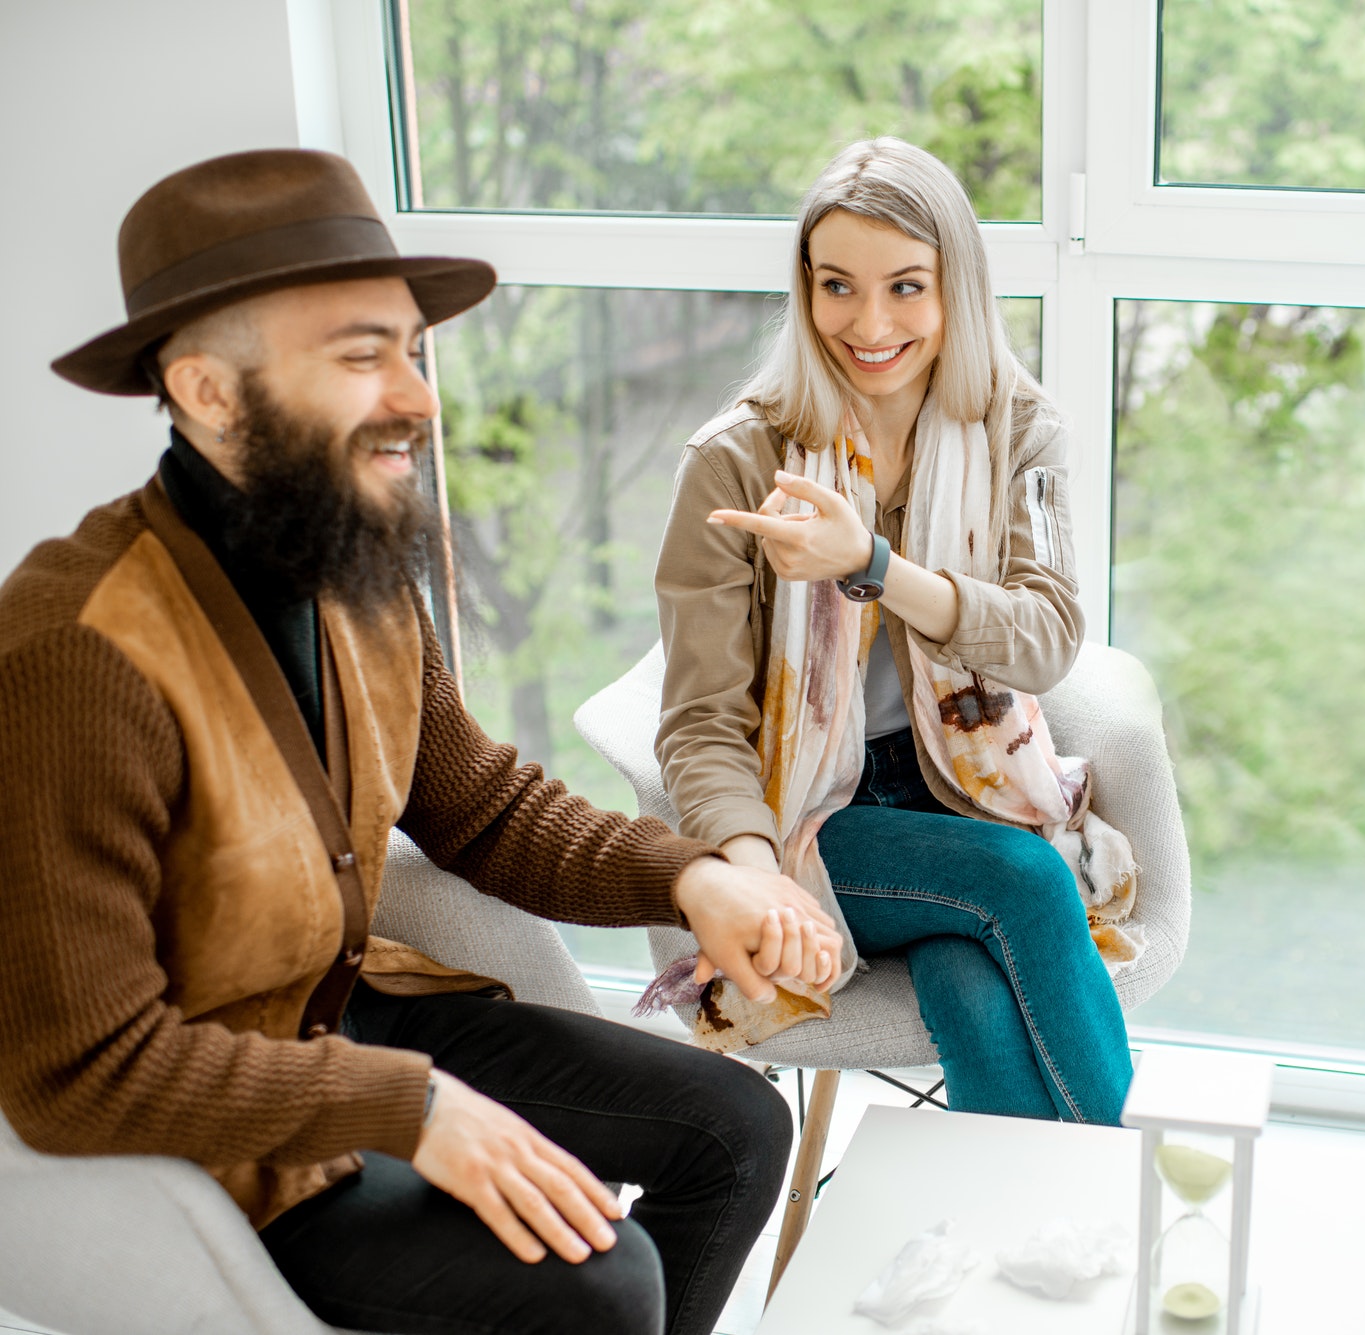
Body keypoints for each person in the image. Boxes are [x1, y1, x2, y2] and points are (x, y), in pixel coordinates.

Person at [0, 149, 847, 1335]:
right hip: (216, 1126)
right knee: (607, 1287)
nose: (419, 397)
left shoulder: (352, 562)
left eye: (412, 349)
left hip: (347, 1013)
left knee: (735, 1128)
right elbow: (78, 1069)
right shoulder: (73, 652)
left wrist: (689, 874)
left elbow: (479, 807)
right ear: (206, 390)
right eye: (361, 356)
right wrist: (411, 1109)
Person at [650, 137, 1140, 1124]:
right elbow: (699, 726)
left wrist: (870, 568)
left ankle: (1003, 1245)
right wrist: (752, 877)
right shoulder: (734, 464)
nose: (868, 325)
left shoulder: (1020, 431)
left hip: (972, 787)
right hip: (808, 817)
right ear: (805, 291)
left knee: (967, 984)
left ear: (955, 285)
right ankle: (1115, 1200)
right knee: (1024, 881)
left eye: (905, 287)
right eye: (837, 287)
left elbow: (1045, 640)